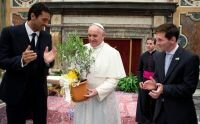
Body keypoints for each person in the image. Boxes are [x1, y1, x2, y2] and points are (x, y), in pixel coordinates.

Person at [0, 2, 57, 124]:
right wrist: (21, 60)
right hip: (16, 93)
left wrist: (48, 62)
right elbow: (2, 61)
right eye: (44, 19)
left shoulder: (47, 36)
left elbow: (48, 62)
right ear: (32, 16)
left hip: (39, 95)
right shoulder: (9, 33)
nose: (46, 23)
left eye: (48, 20)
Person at [142, 23, 199, 124]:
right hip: (160, 114)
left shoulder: (190, 58)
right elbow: (159, 79)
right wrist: (154, 85)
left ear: (172, 40)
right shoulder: (158, 57)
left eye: (160, 40)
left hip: (180, 115)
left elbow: (189, 88)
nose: (157, 43)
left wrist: (164, 89)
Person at [73, 23, 126, 124]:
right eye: (89, 35)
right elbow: (75, 73)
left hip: (103, 99)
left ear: (103, 35)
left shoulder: (112, 53)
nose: (91, 38)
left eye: (95, 36)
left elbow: (113, 79)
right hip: (84, 97)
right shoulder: (81, 50)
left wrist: (97, 91)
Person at [136, 37, 158, 124]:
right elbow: (139, 70)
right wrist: (140, 80)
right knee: (143, 102)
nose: (148, 45)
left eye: (151, 44)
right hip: (144, 82)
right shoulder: (143, 56)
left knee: (153, 102)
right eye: (147, 43)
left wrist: (156, 81)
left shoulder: (159, 56)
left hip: (154, 83)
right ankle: (143, 120)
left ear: (155, 44)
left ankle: (152, 119)